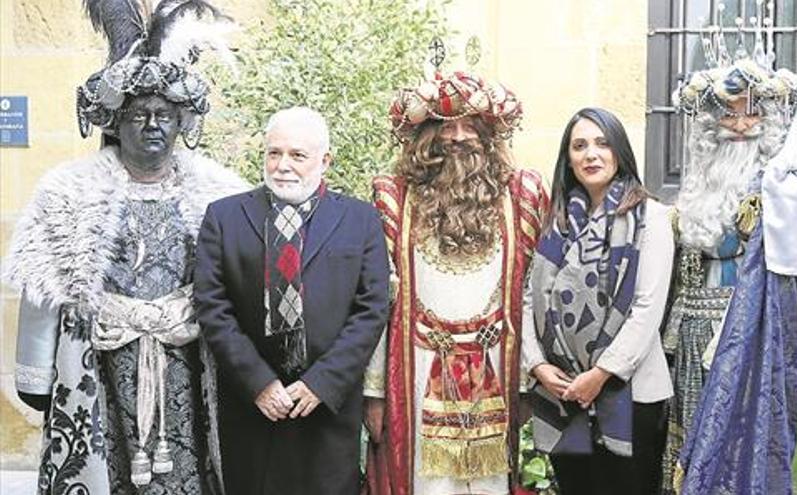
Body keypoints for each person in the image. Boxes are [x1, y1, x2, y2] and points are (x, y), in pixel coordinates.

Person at [1, 3, 244, 494]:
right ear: (116, 122)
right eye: (138, 115)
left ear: (181, 125)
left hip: (187, 364)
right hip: (97, 365)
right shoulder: (68, 192)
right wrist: (34, 373)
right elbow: (44, 284)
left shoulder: (221, 195)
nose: (152, 125)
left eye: (163, 116)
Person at [664, 13, 797, 494]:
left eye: (752, 111)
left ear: (772, 120)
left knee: (739, 450)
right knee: (686, 451)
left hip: (750, 336)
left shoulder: (781, 191)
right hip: (689, 340)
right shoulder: (697, 186)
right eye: (728, 113)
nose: (739, 125)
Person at [363, 71, 548, 495]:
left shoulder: (522, 197)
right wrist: (374, 392)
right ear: (425, 134)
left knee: (490, 483)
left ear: (489, 133)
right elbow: (379, 301)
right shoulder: (394, 198)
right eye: (445, 125)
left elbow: (532, 296)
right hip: (418, 366)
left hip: (498, 369)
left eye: (471, 125)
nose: (458, 136)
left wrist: (528, 381)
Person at [193, 106, 390, 495]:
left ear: (325, 160)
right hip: (253, 407)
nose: (283, 165)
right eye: (274, 153)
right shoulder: (224, 217)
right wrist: (258, 382)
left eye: (297, 155)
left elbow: (371, 310)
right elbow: (213, 307)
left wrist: (321, 383)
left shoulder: (361, 220)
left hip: (325, 409)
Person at [529, 107, 674, 495]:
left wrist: (600, 374)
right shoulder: (556, 223)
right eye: (579, 146)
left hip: (629, 393)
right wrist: (538, 365)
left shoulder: (651, 217)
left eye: (602, 143)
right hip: (563, 393)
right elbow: (529, 299)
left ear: (619, 152)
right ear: (568, 159)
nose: (591, 154)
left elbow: (647, 308)